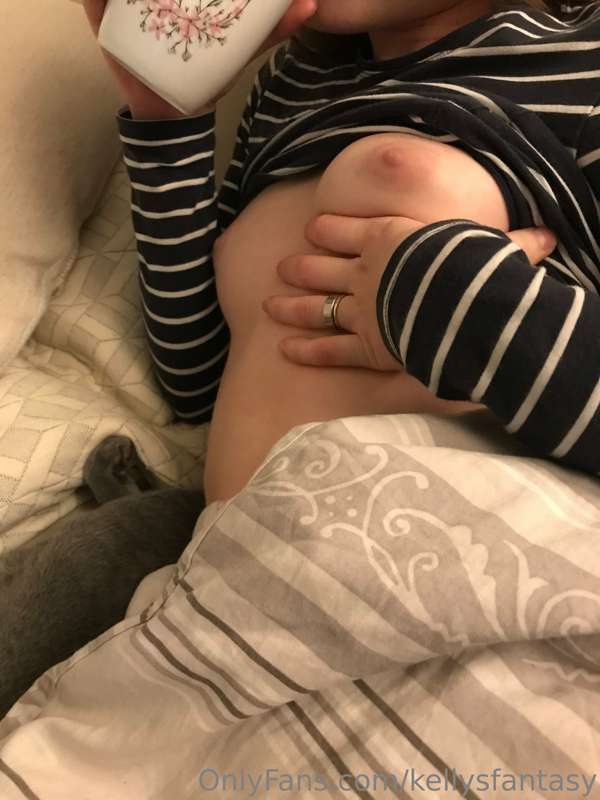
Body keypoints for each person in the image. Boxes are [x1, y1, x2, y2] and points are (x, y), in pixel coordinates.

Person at [83, 0, 599, 504]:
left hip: (460, 543)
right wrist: (167, 123)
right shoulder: (285, 85)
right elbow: (198, 386)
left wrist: (447, 298)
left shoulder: (580, 57)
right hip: (229, 548)